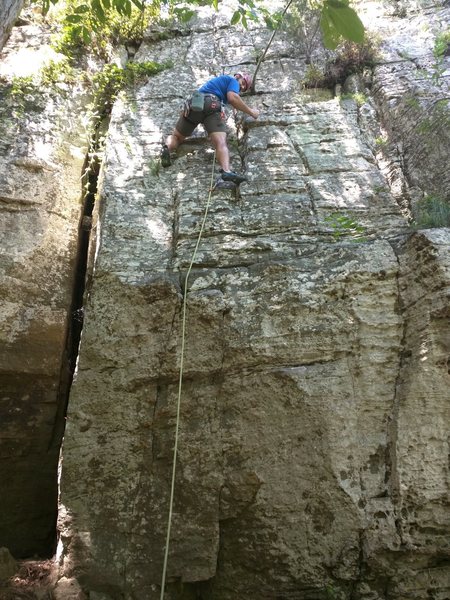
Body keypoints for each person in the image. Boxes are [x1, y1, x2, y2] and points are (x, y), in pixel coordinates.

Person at [160, 72, 259, 184]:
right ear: (239, 77)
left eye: (243, 88)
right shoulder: (233, 81)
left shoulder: (218, 83)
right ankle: (226, 171)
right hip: (212, 104)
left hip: (194, 104)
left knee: (177, 137)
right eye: (243, 83)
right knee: (221, 142)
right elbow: (232, 98)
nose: (241, 87)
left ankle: (167, 148)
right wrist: (252, 112)